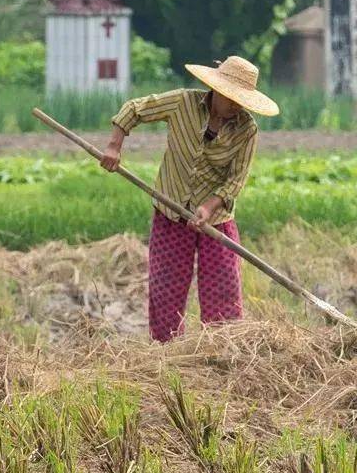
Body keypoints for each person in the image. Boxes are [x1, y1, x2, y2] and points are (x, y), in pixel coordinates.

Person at [102, 55, 279, 342]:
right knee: (166, 290)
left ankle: (221, 352)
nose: (236, 105)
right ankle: (168, 354)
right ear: (216, 90)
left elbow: (236, 180)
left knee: (223, 292)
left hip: (216, 222)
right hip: (171, 215)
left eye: (241, 101)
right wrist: (113, 146)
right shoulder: (183, 103)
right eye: (231, 98)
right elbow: (134, 109)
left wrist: (209, 207)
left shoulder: (247, 129)